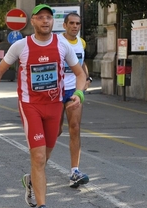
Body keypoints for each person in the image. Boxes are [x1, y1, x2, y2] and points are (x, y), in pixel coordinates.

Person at [0, 4, 87, 208]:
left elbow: (79, 73)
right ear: (34, 22)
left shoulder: (62, 44)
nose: (46, 21)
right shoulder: (21, 46)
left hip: (54, 106)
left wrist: (79, 93)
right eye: (41, 18)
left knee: (45, 156)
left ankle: (30, 181)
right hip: (31, 106)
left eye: (49, 18)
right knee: (38, 158)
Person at [58, 13, 91, 188]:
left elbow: (81, 63)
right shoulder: (56, 42)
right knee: (54, 132)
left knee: (75, 128)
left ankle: (74, 171)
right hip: (56, 91)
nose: (75, 26)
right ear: (64, 25)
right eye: (71, 23)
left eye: (78, 23)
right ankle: (38, 168)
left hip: (74, 91)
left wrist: (87, 78)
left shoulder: (81, 42)